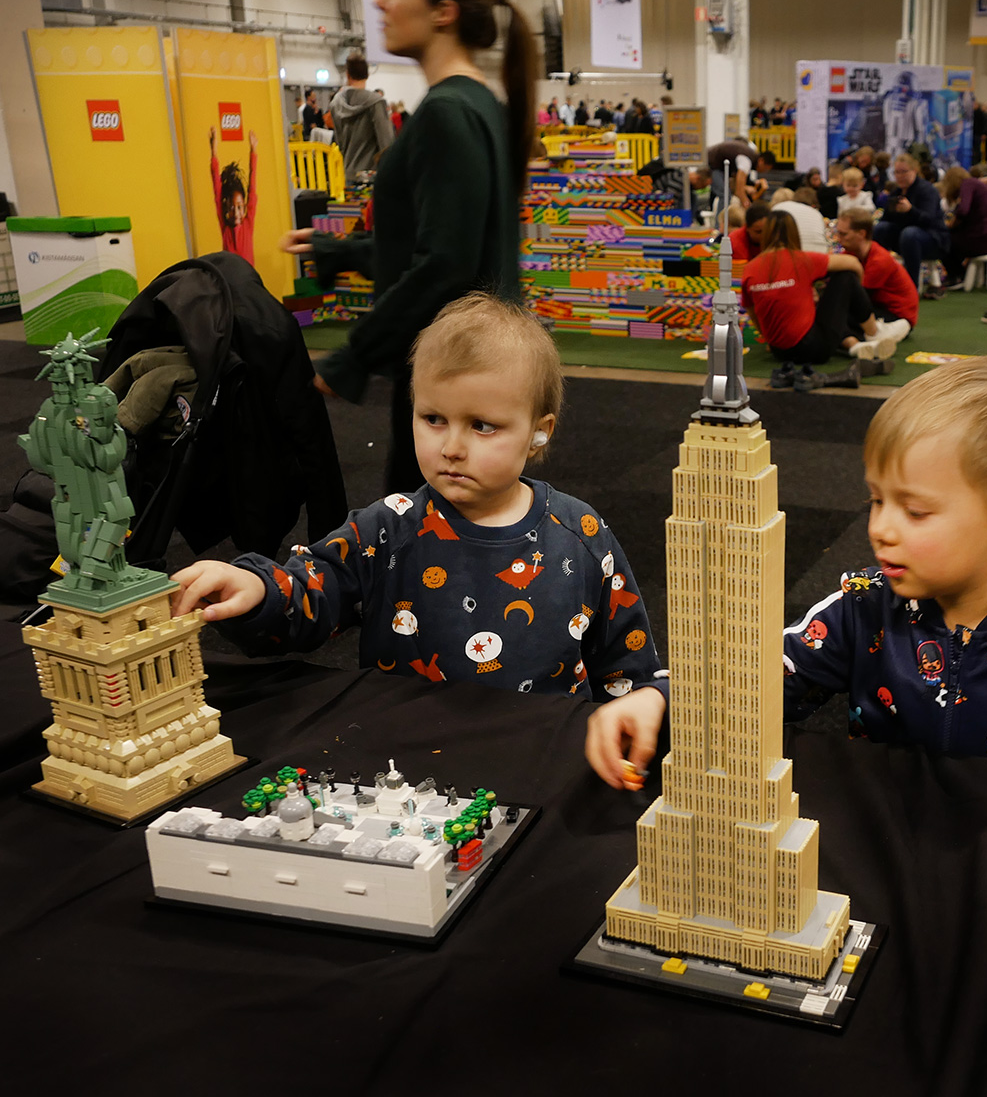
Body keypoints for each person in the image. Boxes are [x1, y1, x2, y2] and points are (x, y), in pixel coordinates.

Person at [587, 353, 987, 812]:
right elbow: (761, 674)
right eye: (877, 500)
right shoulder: (863, 609)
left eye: (916, 510)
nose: (880, 529)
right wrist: (663, 693)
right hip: (880, 834)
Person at [171, 294, 669, 719]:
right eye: (433, 418)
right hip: (407, 756)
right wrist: (258, 588)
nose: (452, 446)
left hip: (545, 753)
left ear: (540, 432)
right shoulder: (386, 527)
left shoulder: (580, 532)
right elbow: (310, 597)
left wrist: (642, 708)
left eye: (483, 425)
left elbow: (626, 665)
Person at [280, 0, 536, 494]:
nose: (379, 1)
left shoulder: (448, 113)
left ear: (444, 12)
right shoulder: (475, 105)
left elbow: (445, 262)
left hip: (454, 375)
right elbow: (445, 245)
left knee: (427, 553)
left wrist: (354, 354)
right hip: (470, 368)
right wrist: (340, 252)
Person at [740, 211, 898, 367]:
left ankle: (853, 343)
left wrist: (770, 341)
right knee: (845, 277)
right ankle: (874, 334)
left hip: (779, 352)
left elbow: (753, 314)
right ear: (794, 233)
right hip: (814, 349)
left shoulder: (749, 269)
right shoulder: (802, 260)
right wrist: (857, 293)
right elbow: (853, 264)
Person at [835, 208, 918, 343]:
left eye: (844, 234)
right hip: (877, 307)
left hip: (897, 314)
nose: (839, 239)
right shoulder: (852, 253)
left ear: (861, 234)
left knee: (839, 314)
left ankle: (865, 336)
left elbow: (860, 298)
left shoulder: (879, 260)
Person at [873, 153, 950, 291]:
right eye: (897, 172)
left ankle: (910, 288)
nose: (900, 176)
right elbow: (886, 220)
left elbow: (929, 220)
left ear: (914, 171)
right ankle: (877, 280)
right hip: (905, 238)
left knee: (910, 234)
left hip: (933, 240)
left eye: (904, 172)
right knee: (881, 229)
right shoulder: (896, 192)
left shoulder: (927, 190)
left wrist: (910, 210)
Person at [329, 53, 395, 180]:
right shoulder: (376, 102)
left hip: (347, 174)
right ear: (368, 74)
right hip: (372, 177)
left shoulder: (335, 104)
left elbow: (339, 142)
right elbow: (386, 144)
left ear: (347, 74)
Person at [940, 165, 987, 289]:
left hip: (981, 239)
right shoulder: (978, 186)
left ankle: (956, 275)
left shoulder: (968, 184)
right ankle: (960, 273)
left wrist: (952, 223)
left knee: (942, 239)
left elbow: (963, 211)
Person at [210, 125, 257, 264]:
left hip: (247, 281)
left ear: (244, 208)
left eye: (239, 207)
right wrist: (213, 152)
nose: (236, 213)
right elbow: (217, 192)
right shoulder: (225, 229)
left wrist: (253, 152)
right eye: (231, 208)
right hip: (230, 282)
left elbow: (252, 190)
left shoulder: (248, 224)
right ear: (226, 209)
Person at [707, 139, 770, 211]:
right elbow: (739, 191)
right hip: (712, 163)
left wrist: (746, 189)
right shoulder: (746, 161)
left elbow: (737, 185)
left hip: (719, 165)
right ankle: (721, 222)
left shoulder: (748, 157)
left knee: (725, 195)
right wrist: (747, 205)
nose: (765, 171)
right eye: (765, 168)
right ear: (761, 161)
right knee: (725, 195)